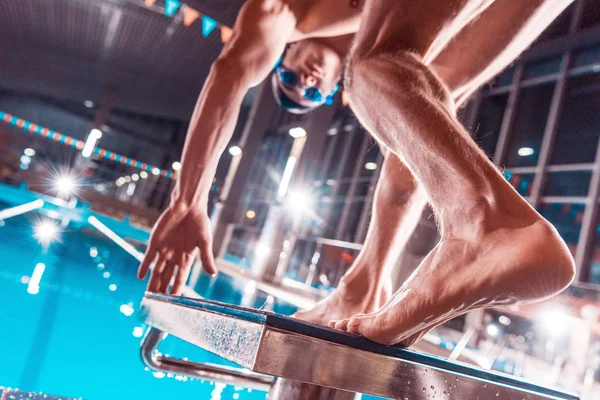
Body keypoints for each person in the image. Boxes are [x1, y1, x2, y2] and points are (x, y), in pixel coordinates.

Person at [138, 0, 576, 346]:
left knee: (371, 69)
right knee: (413, 102)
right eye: (311, 92)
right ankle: (369, 284)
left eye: (291, 79)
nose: (306, 81)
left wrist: (188, 200)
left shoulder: (292, 12)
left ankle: (492, 228)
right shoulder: (408, 62)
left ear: (284, 55)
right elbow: (412, 153)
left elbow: (230, 72)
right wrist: (365, 285)